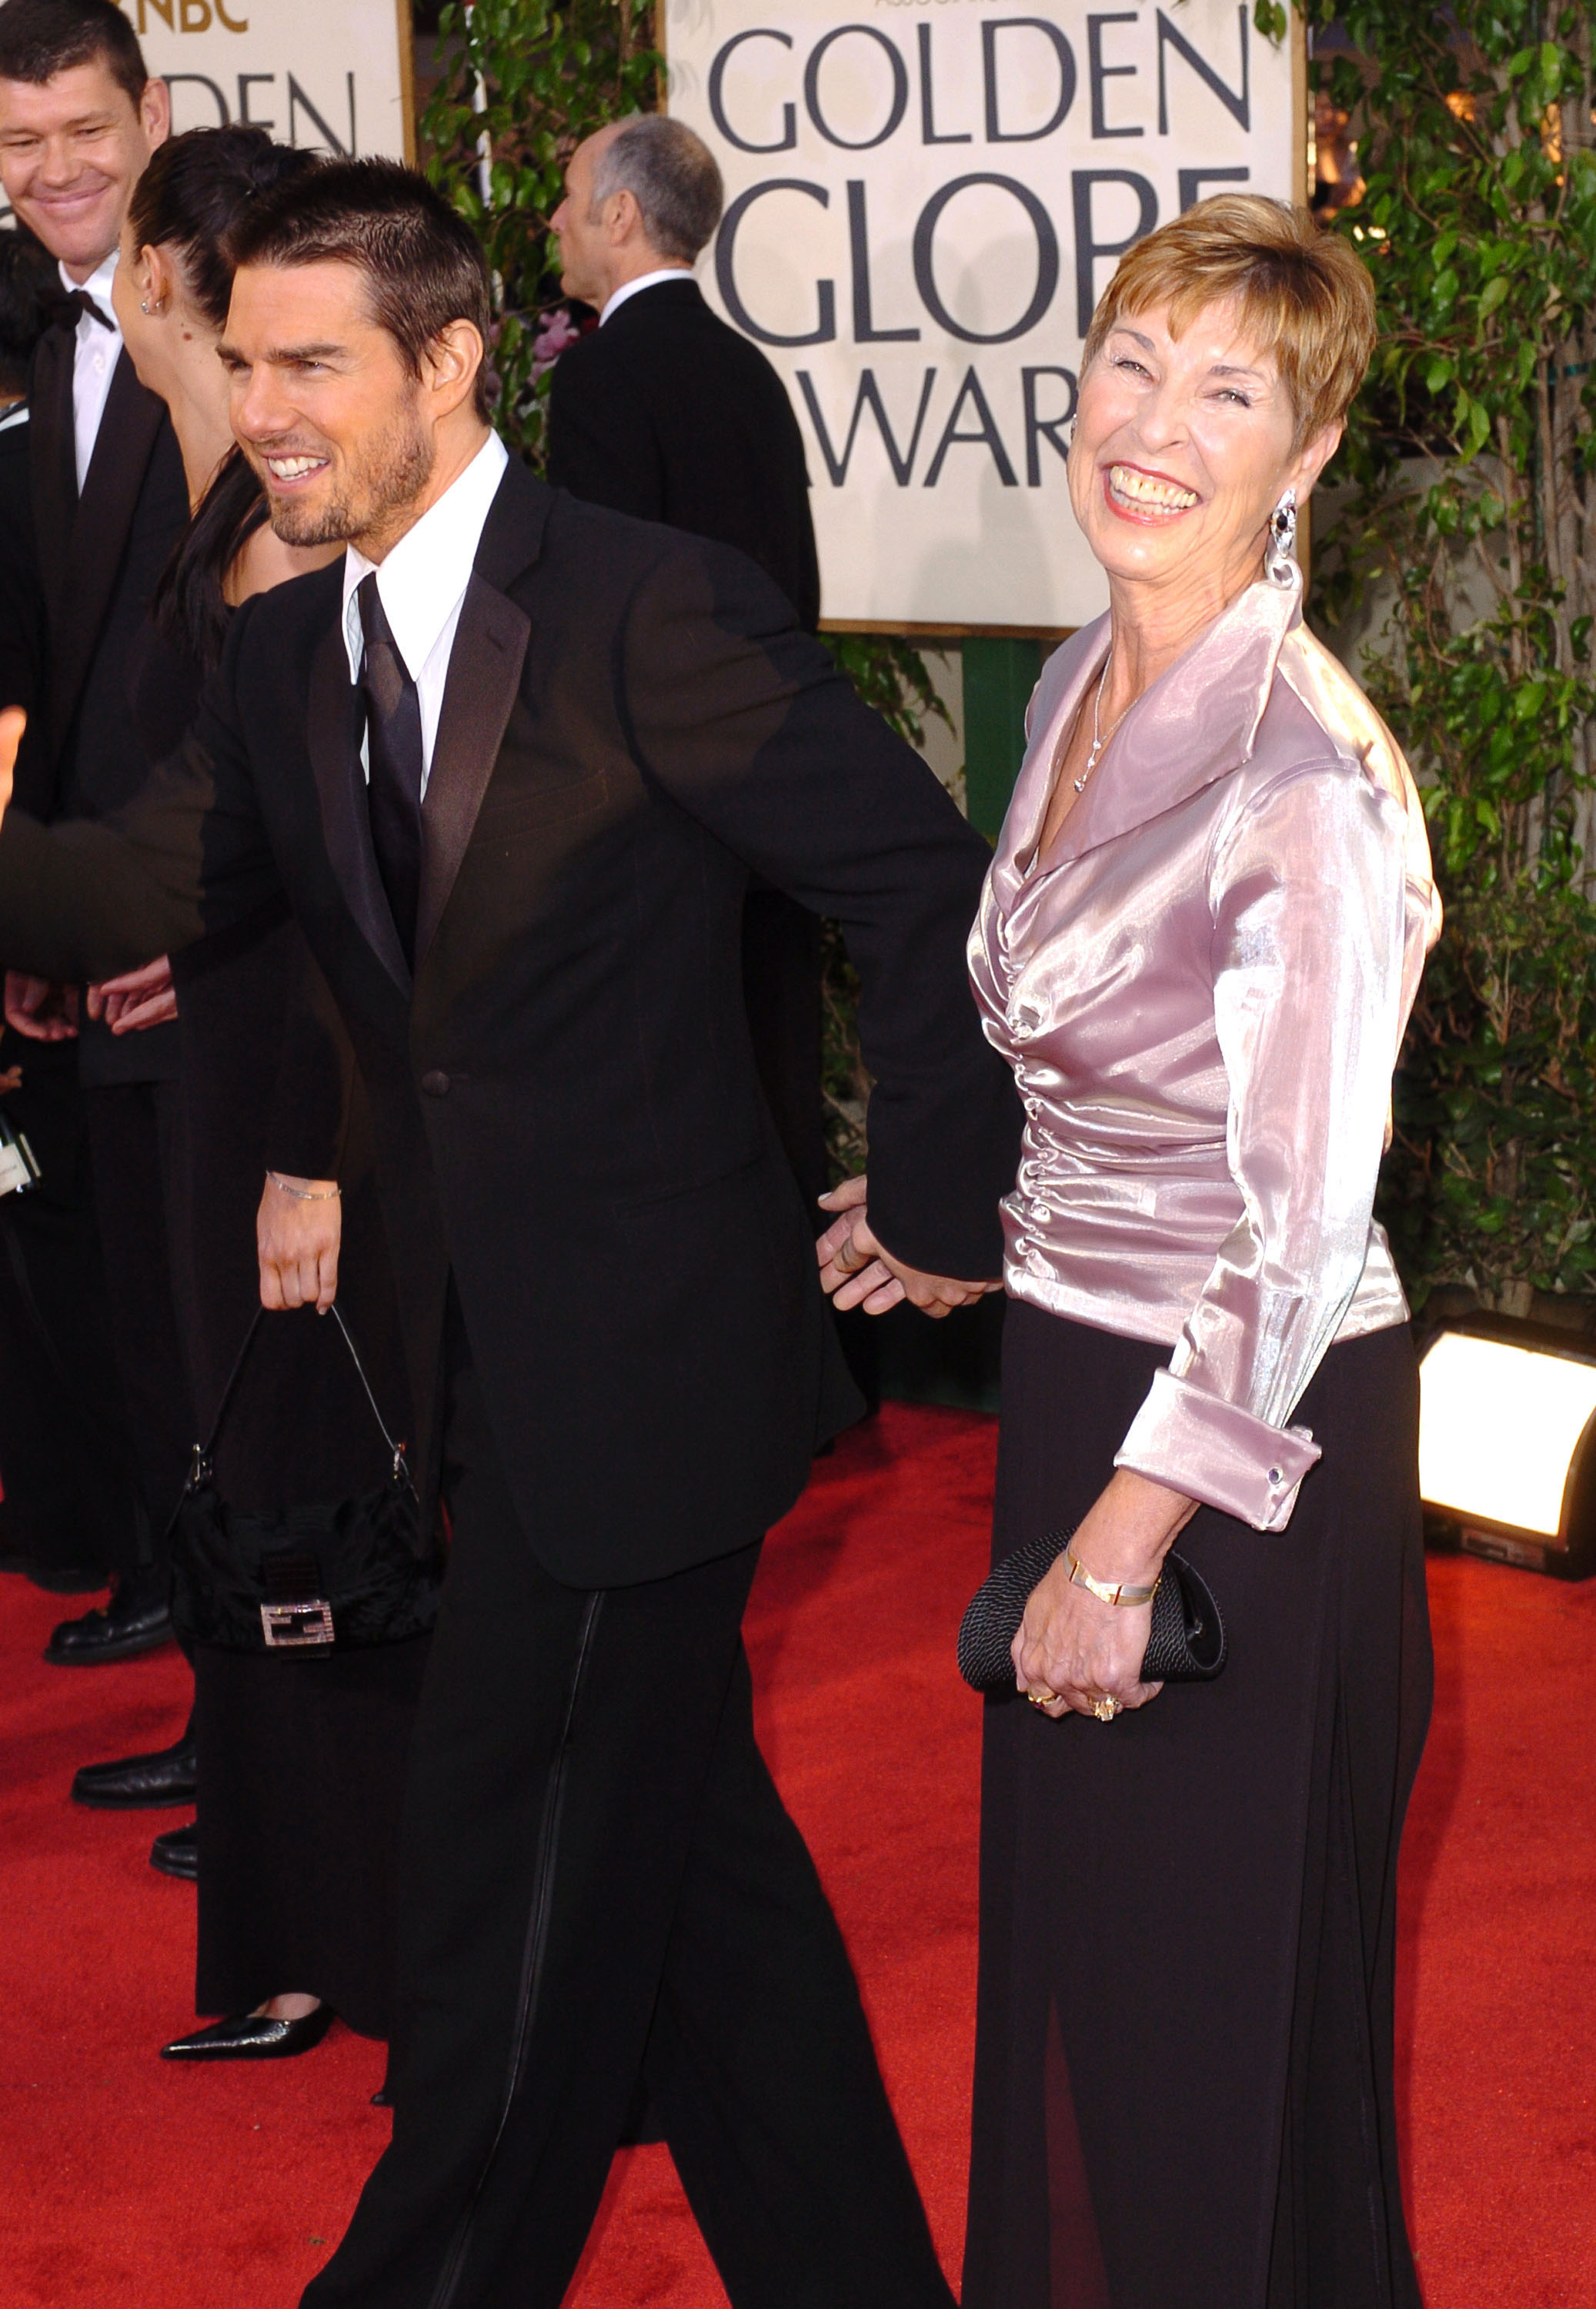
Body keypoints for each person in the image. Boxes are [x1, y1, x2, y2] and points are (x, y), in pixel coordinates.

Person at [0, 158, 1020, 2307]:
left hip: (650, 1379)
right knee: (697, 1886)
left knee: (511, 1896)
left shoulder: (645, 603)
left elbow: (914, 878)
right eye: (242, 361)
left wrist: (942, 1202)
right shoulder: (286, 657)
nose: (262, 408)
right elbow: (124, 901)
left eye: (310, 366)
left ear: (450, 364)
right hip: (470, 1383)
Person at [821, 196, 1441, 2308]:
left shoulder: (1306, 786)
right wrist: (985, 1243)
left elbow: (1292, 1230)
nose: (1154, 427)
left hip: (1236, 1448)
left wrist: (1115, 1549)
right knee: (1092, 2000)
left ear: (1309, 457)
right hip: (1093, 1382)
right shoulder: (1093, 669)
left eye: (1228, 392)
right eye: (1130, 367)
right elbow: (1124, 1075)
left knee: (1206, 2030)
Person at [97, 121, 423, 2063]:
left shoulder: (295, 529)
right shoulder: (228, 502)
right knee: (264, 1491)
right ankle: (309, 1927)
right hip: (228, 1055)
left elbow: (349, 880)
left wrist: (313, 1150)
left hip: (304, 1090)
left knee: (313, 1506)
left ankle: (352, 1946)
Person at [0, 0, 192, 1677]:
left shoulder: (226, 317)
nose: (58, 168)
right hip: (69, 902)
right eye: (20, 140)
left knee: (218, 1304)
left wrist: (173, 908)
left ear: (151, 113)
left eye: (84, 126)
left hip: (201, 915)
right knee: (125, 1287)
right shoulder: (14, 331)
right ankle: (166, 1571)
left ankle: (267, 1676)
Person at [549, 113, 832, 1246]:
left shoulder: (608, 376)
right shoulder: (746, 368)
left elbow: (597, 622)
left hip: (662, 814)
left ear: (620, 215)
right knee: (778, 1083)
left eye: (570, 196)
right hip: (771, 791)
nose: (556, 221)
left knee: (687, 1104)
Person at [0, 222, 144, 1596]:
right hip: (62, 910)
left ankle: (109, 1533)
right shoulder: (41, 432)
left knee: (61, 1227)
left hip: (96, 914)